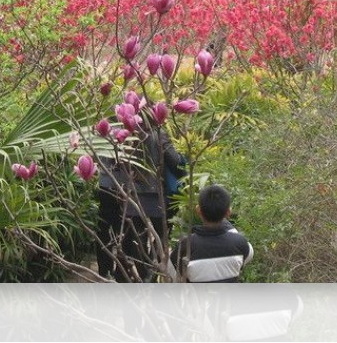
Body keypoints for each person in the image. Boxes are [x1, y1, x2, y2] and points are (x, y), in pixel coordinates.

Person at [95, 121, 184, 282]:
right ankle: (153, 276)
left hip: (132, 193)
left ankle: (127, 276)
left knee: (132, 239)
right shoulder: (159, 134)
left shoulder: (124, 133)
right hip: (155, 194)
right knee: (159, 238)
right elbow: (176, 163)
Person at [168, 184, 254, 282]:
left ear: (198, 210)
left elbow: (171, 273)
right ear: (228, 212)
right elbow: (249, 255)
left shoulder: (186, 245)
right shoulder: (240, 243)